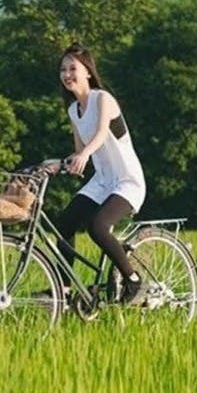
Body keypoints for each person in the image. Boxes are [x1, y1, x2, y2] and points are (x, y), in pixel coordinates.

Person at [53, 43, 148, 304]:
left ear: (88, 72)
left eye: (73, 68)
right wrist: (55, 164)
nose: (67, 74)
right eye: (63, 69)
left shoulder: (103, 99)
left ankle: (133, 280)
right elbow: (79, 151)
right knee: (64, 224)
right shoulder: (74, 110)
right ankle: (65, 290)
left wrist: (84, 156)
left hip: (127, 182)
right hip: (103, 182)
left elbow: (100, 134)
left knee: (98, 226)